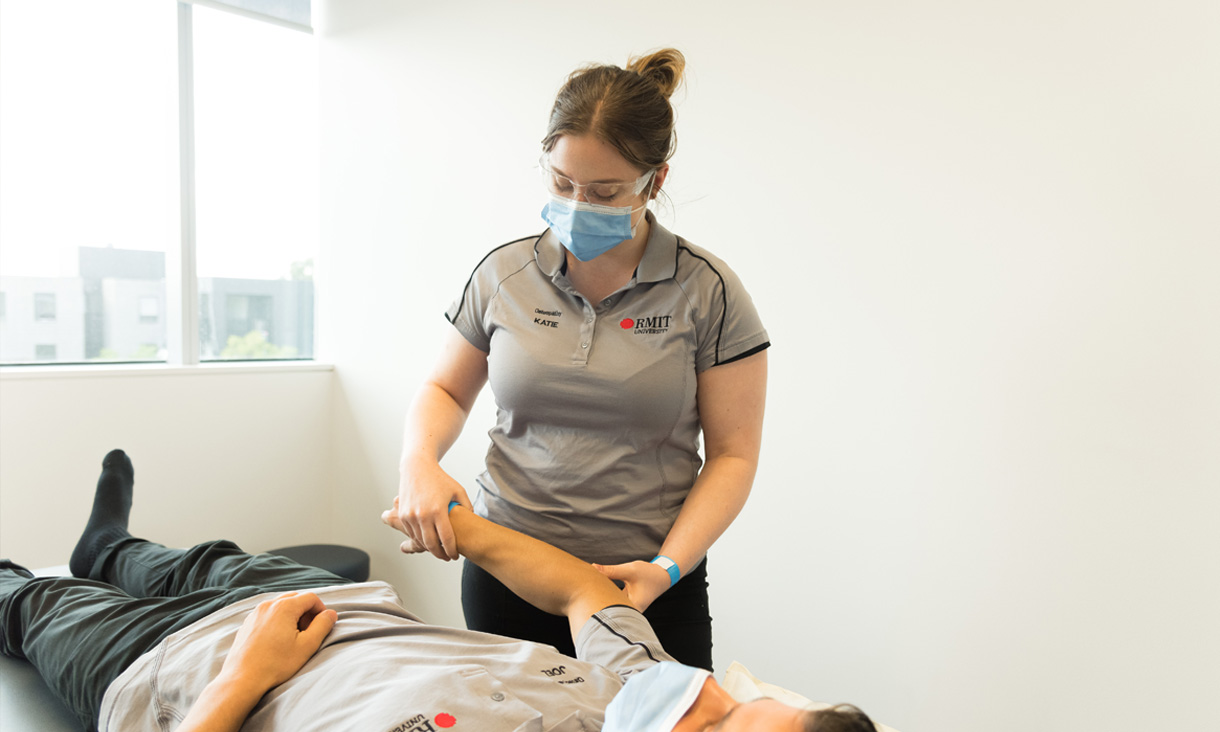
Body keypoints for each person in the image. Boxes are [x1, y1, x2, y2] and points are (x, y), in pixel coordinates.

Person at [1, 450, 873, 732]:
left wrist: (245, 675)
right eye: (735, 702)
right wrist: (460, 525)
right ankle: (110, 547)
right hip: (337, 607)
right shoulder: (645, 694)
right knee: (195, 562)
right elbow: (578, 591)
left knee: (26, 601)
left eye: (720, 721)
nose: (710, 695)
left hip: (172, 673)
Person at [395, 47, 769, 670]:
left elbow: (734, 454)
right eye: (562, 183)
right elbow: (445, 389)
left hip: (644, 585)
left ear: (656, 180)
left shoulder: (707, 291)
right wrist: (418, 462)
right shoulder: (503, 275)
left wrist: (664, 570)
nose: (577, 203)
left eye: (604, 191)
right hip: (507, 572)